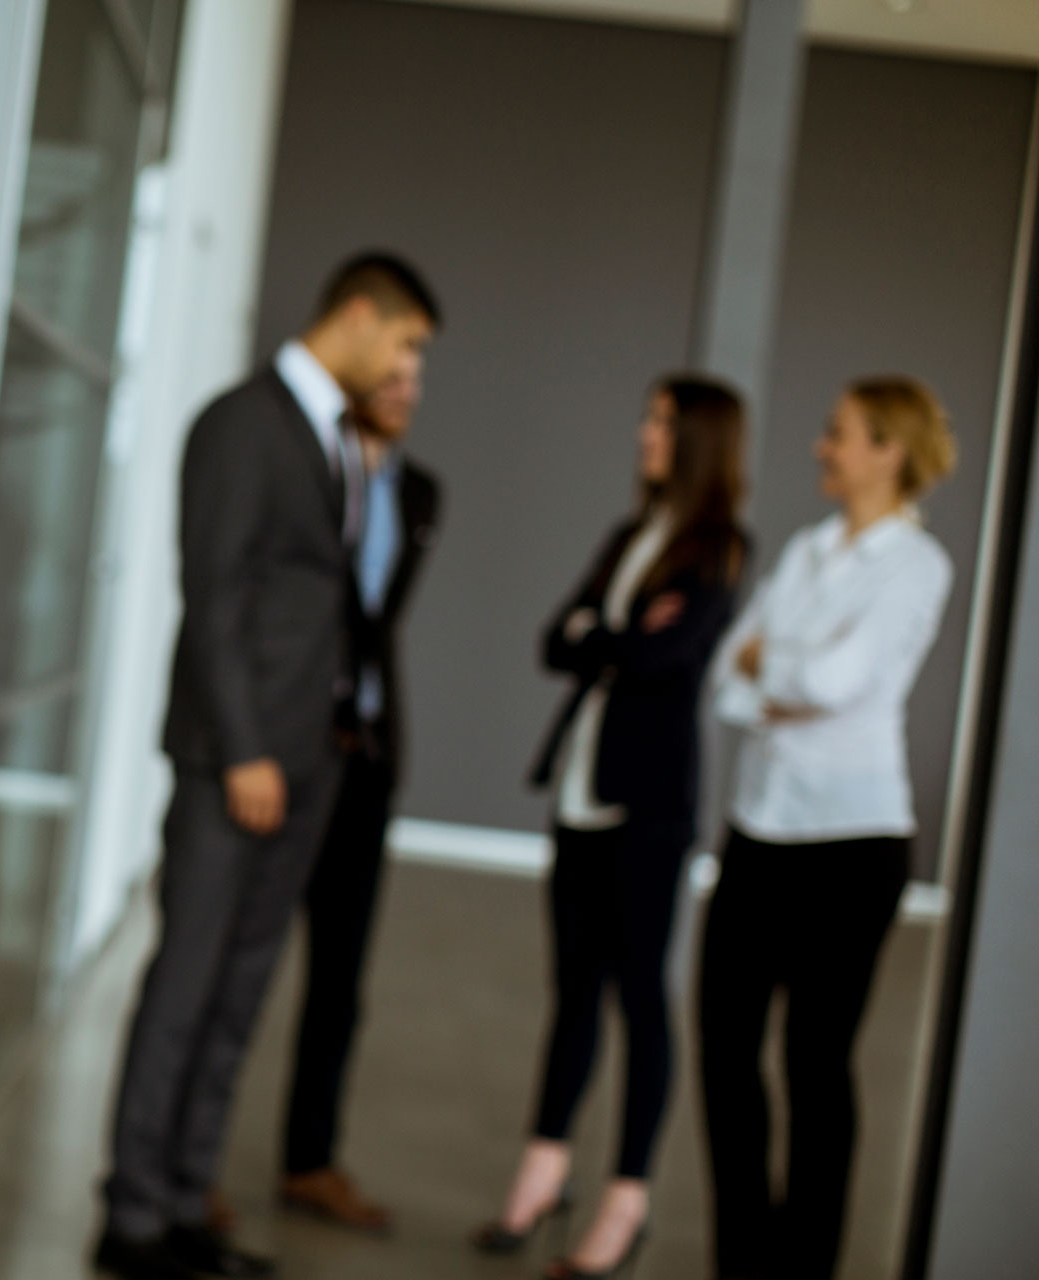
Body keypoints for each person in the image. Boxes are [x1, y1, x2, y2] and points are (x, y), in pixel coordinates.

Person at [96, 254, 433, 1280]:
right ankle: (132, 1218)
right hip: (232, 763)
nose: (407, 365)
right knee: (187, 982)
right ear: (364, 315)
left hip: (308, 765)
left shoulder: (337, 436)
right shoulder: (245, 421)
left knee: (240, 993)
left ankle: (187, 1198)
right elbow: (215, 597)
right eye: (409, 342)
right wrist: (244, 747)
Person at [474, 376, 748, 1279]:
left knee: (641, 1000)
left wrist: (609, 631)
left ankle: (626, 1201)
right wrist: (617, 631)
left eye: (664, 423)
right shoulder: (630, 538)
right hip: (580, 799)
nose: (645, 434)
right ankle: (543, 1173)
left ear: (699, 439)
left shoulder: (720, 551)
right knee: (573, 995)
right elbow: (558, 641)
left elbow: (669, 657)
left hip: (650, 810)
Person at [699, 377, 956, 1280]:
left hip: (853, 846)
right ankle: (744, 1260)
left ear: (889, 449)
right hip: (758, 831)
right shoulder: (807, 551)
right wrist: (780, 676)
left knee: (815, 1065)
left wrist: (778, 665)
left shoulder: (917, 566)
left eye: (837, 433)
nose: (821, 447)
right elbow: (727, 682)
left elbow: (841, 683)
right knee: (725, 1052)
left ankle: (804, 1265)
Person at [274, 264, 442, 1233]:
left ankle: (311, 1156)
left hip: (369, 753)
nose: (406, 388)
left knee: (341, 973)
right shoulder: (312, 463)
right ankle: (193, 1165)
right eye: (397, 368)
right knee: (248, 961)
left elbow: (374, 618)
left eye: (417, 378)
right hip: (294, 743)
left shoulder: (422, 493)